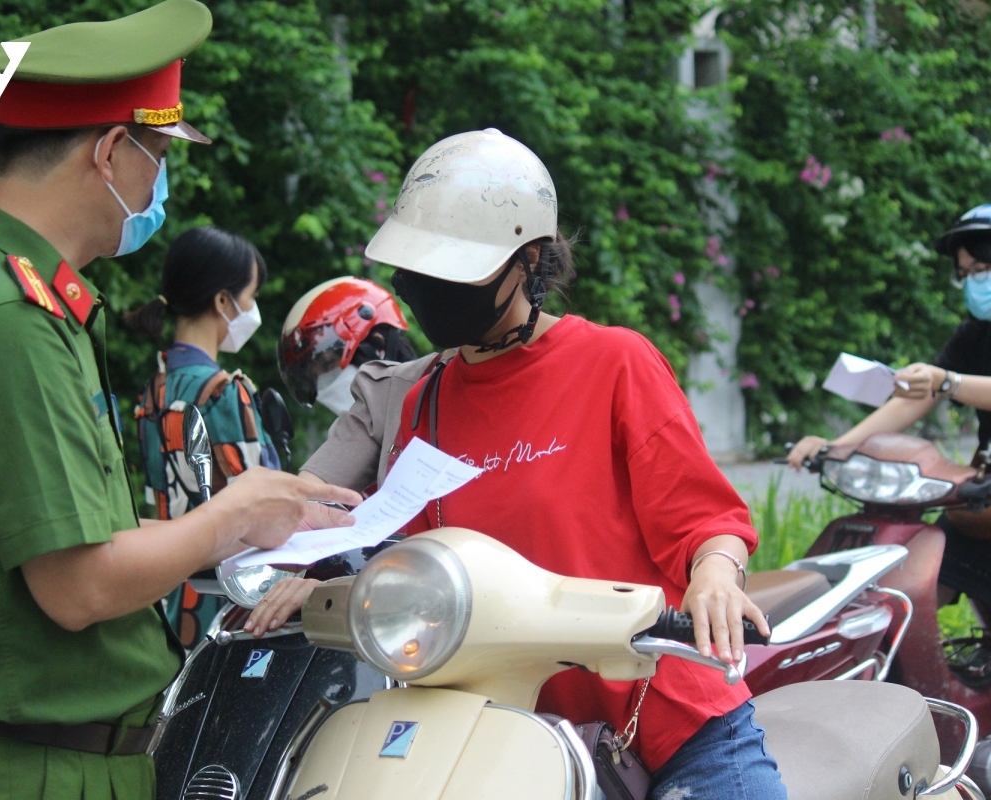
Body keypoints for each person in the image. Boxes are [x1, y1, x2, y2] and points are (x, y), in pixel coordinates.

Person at [0, 4, 361, 798]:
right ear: (107, 152)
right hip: (28, 774)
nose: (159, 179)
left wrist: (243, 524)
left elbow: (80, 544)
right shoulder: (6, 321)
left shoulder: (8, 292)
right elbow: (77, 586)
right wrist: (230, 516)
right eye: (156, 153)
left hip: (39, 763)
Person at [248, 129, 786, 799]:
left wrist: (714, 575)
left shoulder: (615, 363)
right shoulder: (424, 401)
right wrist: (328, 579)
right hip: (503, 741)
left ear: (529, 260)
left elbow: (704, 518)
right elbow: (412, 559)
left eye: (456, 269)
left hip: (663, 724)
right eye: (420, 269)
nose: (429, 288)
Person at [787, 203, 991, 610]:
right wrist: (837, 446)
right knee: (918, 591)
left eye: (981, 269)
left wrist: (947, 381)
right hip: (982, 496)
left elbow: (943, 384)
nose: (973, 282)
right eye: (965, 274)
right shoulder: (973, 336)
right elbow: (914, 399)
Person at [128, 225, 282, 646]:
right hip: (226, 603)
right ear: (222, 300)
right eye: (250, 296)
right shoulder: (225, 392)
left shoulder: (151, 392)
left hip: (162, 595)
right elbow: (264, 516)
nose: (253, 309)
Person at [278, 276, 426, 490]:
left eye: (329, 363)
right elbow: (308, 498)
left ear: (379, 347)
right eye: (315, 374)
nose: (323, 383)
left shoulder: (432, 406)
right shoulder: (349, 436)